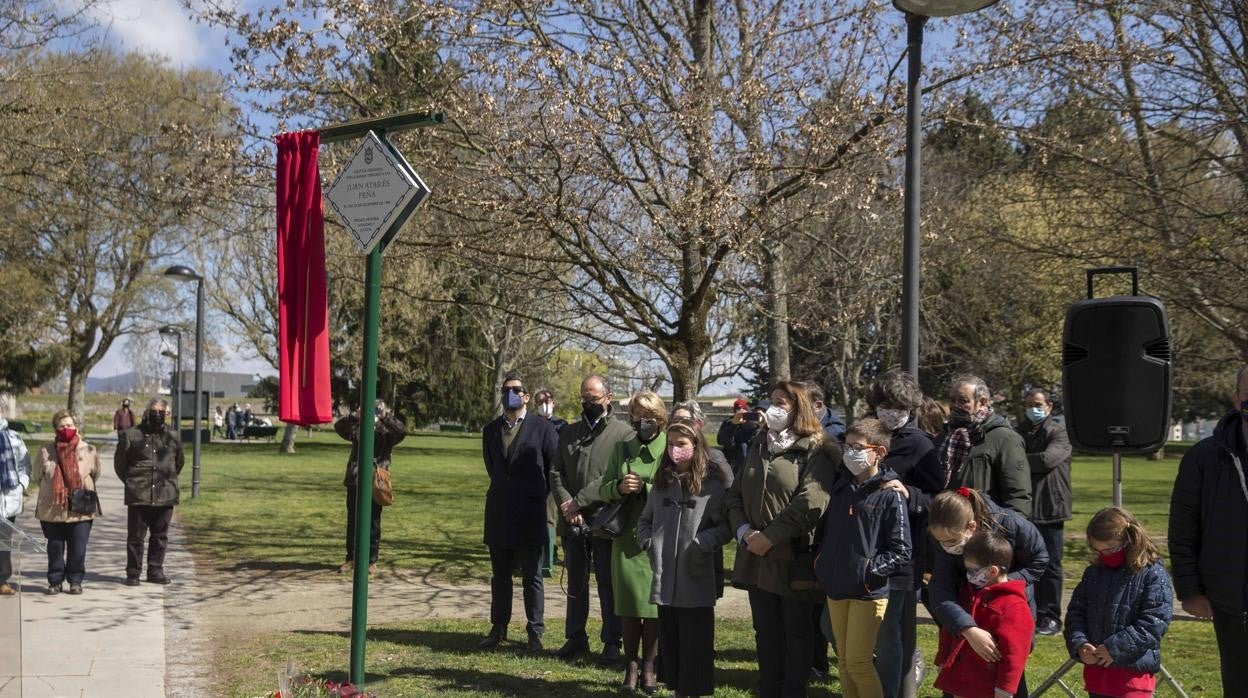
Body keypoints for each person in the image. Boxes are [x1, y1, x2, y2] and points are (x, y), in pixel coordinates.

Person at [725, 380, 840, 698]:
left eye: (782, 403)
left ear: (799, 409)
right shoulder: (761, 443)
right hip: (755, 555)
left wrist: (771, 537)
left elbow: (811, 502)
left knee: (796, 631)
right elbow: (734, 496)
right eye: (772, 400)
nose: (773, 407)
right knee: (766, 631)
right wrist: (744, 532)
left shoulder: (818, 449)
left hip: (792, 556)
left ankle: (792, 690)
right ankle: (769, 688)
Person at [815, 418, 911, 698]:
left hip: (868, 592)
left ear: (879, 452)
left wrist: (868, 571)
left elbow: (902, 549)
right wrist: (822, 564)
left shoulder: (890, 495)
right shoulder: (842, 488)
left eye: (858, 447)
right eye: (847, 446)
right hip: (836, 587)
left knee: (858, 664)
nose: (850, 453)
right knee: (844, 663)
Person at [636, 419, 733, 698]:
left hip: (696, 577)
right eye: (671, 444)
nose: (675, 449)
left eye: (682, 444)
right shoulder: (662, 483)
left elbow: (725, 526)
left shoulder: (712, 487)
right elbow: (644, 521)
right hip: (666, 580)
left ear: (695, 446)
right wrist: (649, 543)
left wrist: (702, 543)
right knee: (673, 647)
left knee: (695, 646)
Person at [1168, 364, 1248, 696]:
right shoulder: (1204, 457)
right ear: (1237, 398)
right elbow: (1184, 527)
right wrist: (1190, 590)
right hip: (1233, 601)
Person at [928, 487, 1047, 698]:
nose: (946, 547)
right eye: (941, 542)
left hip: (1007, 610)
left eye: (951, 542)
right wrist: (967, 629)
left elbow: (1039, 559)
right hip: (967, 612)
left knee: (1005, 671)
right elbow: (941, 591)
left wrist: (1002, 583)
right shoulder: (946, 536)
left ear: (971, 527)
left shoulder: (1011, 524)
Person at [870, 370, 946, 698]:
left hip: (902, 554)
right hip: (863, 547)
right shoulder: (865, 435)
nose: (890, 411)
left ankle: (899, 686)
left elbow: (935, 498)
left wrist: (909, 493)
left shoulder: (919, 444)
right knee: (833, 626)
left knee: (893, 633)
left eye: (898, 406)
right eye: (885, 404)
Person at [548, 374, 634, 662]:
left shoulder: (624, 434)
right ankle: (575, 637)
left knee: (608, 583)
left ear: (608, 398)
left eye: (593, 399)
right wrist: (566, 504)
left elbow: (616, 476)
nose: (588, 403)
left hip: (604, 520)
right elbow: (556, 472)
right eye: (584, 399)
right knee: (576, 583)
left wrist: (581, 502)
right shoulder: (568, 433)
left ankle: (612, 640)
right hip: (572, 521)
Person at [480, 376, 559, 652]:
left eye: (515, 390)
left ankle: (535, 632)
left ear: (526, 397)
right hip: (500, 511)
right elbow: (494, 468)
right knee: (500, 575)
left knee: (532, 577)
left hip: (531, 512)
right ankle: (498, 628)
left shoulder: (543, 429)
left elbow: (553, 468)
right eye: (506, 390)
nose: (510, 395)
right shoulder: (490, 430)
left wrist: (535, 495)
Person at [598, 390, 669, 693]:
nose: (644, 421)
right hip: (625, 538)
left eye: (650, 415)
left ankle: (650, 668)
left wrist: (645, 487)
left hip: (657, 538)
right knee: (628, 606)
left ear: (661, 418)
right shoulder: (622, 448)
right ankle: (631, 667)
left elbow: (676, 490)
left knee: (652, 607)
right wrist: (619, 486)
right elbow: (603, 490)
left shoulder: (670, 449)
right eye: (638, 415)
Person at [1066, 507, 1172, 698]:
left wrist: (1115, 649)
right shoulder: (1094, 573)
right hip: (1097, 677)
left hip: (1133, 679)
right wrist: (1080, 644)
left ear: (1130, 541)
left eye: (1109, 550)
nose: (1104, 555)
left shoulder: (1152, 574)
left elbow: (1155, 621)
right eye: (1098, 551)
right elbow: (1076, 613)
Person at [932, 530, 1034, 698]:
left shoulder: (1014, 606)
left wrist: (1004, 690)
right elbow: (950, 629)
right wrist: (943, 658)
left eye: (973, 570)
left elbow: (1014, 655)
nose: (969, 575)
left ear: (992, 571)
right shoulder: (968, 593)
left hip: (986, 688)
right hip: (960, 682)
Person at [1014, 387, 1072, 637]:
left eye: (1038, 404)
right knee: (1025, 562)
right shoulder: (1019, 432)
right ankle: (1030, 611)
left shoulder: (1059, 433)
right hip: (1025, 507)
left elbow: (1048, 460)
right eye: (1029, 404)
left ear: (1049, 406)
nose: (1033, 409)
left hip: (1051, 507)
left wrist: (1017, 461)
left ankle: (1050, 616)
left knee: (1050, 565)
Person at [939, 375, 1031, 517]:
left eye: (963, 401)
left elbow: (1018, 497)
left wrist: (1003, 533)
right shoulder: (945, 437)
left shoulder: (1005, 438)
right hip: (946, 528)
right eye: (952, 400)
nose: (955, 406)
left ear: (982, 402)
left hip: (985, 529)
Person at [115, 398, 184, 585]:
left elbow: (178, 463)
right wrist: (132, 483)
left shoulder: (173, 436)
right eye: (154, 411)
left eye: (162, 412)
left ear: (167, 414)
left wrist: (167, 479)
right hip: (139, 494)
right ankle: (133, 573)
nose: (158, 415)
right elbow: (120, 465)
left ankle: (155, 570)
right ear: (147, 411)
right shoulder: (132, 435)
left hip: (165, 494)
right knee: (136, 537)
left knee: (160, 536)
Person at [335, 399, 405, 575]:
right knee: (353, 521)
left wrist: (385, 416)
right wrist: (355, 416)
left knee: (373, 522)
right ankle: (351, 558)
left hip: (377, 480)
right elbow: (339, 428)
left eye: (377, 408)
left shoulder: (387, 431)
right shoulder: (359, 427)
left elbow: (401, 431)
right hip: (356, 479)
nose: (373, 412)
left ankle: (371, 561)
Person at [35, 411, 101, 595]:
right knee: (55, 547)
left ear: (76, 427)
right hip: (52, 508)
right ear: (56, 428)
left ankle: (75, 580)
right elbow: (38, 476)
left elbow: (95, 474)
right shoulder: (45, 451)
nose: (66, 429)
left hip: (81, 508)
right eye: (62, 426)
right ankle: (55, 581)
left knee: (78, 548)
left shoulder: (89, 450)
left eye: (69, 425)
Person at [533, 389, 566, 578]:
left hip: (557, 477)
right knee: (545, 519)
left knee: (554, 519)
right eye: (540, 401)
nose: (544, 404)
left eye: (548, 400)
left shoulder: (561, 425)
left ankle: (552, 558)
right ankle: (546, 558)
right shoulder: (531, 424)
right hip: (537, 477)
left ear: (554, 402)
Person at [0, 409, 31, 596]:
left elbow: (24, 465)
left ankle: (2, 579)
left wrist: (20, 486)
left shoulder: (14, 437)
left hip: (8, 499)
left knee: (4, 541)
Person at [716, 397, 758, 474]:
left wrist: (749, 423)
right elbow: (721, 441)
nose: (741, 412)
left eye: (743, 409)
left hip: (749, 463)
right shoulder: (728, 422)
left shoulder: (752, 423)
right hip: (732, 463)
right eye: (738, 410)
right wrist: (732, 425)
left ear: (747, 411)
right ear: (734, 412)